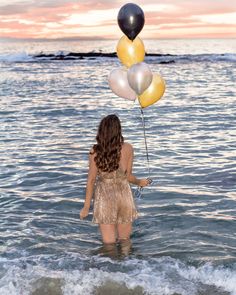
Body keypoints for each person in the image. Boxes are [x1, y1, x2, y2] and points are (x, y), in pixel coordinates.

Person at [80, 114, 150, 246]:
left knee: (109, 244)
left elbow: (91, 180)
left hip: (104, 197)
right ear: (118, 130)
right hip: (124, 195)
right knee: (125, 241)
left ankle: (111, 265)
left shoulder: (95, 151)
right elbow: (128, 177)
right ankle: (131, 264)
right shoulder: (128, 148)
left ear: (102, 131)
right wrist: (141, 182)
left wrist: (86, 207)